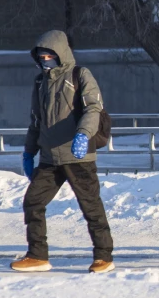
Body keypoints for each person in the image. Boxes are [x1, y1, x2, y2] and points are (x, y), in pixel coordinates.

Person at [11, 30, 115, 274]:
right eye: (42, 57)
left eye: (49, 56)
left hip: (78, 156)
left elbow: (93, 108)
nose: (45, 60)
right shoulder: (40, 82)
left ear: (60, 54)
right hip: (49, 157)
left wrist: (83, 134)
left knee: (90, 206)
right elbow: (36, 121)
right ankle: (37, 255)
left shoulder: (79, 75)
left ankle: (103, 256)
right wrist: (28, 152)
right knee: (33, 202)